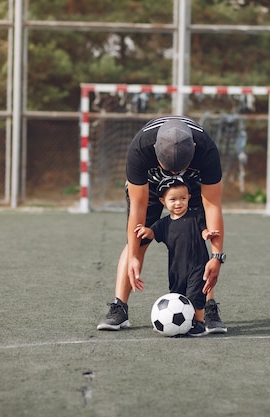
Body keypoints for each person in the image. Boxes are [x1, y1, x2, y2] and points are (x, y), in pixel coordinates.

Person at [96, 116, 228, 334]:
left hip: (191, 187)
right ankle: (120, 307)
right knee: (136, 243)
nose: (174, 174)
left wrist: (217, 257)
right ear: (155, 150)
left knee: (197, 240)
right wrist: (135, 256)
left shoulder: (206, 150)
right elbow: (137, 209)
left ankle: (207, 307)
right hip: (151, 184)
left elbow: (212, 206)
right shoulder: (140, 150)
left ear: (193, 149)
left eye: (180, 169)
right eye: (169, 168)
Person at [134, 177, 221, 336]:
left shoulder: (195, 215)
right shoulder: (163, 224)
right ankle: (178, 324)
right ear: (163, 201)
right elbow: (153, 233)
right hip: (176, 269)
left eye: (182, 198)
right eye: (173, 199)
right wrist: (146, 231)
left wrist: (207, 234)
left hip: (198, 266)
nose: (178, 203)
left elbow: (203, 229)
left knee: (195, 296)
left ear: (188, 197)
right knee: (178, 296)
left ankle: (199, 323)